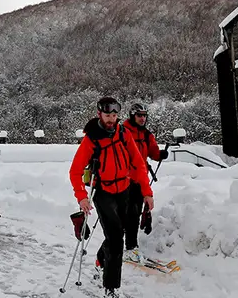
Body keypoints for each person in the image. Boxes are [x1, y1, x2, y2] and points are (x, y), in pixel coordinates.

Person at [69, 97, 154, 298]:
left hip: (124, 189)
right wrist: (82, 197)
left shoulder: (123, 133)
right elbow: (75, 172)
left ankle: (100, 260)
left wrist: (147, 192)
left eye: (115, 115)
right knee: (116, 240)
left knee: (117, 233)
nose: (111, 119)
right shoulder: (91, 140)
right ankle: (111, 288)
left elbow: (139, 164)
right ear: (100, 114)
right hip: (103, 193)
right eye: (108, 115)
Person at [121, 103, 168, 259]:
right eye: (139, 115)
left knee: (135, 212)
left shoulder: (147, 135)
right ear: (132, 116)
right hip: (123, 179)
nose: (142, 118)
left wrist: (160, 154)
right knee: (126, 214)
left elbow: (153, 152)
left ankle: (130, 246)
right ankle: (123, 246)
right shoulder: (123, 132)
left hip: (140, 179)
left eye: (144, 115)